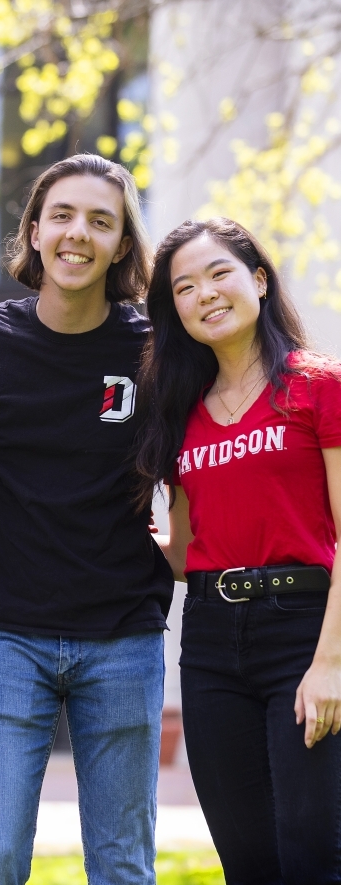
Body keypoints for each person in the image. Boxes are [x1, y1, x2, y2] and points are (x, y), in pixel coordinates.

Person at [0, 154, 174, 885]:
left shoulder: (153, 350)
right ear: (35, 231)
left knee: (123, 864)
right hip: (8, 635)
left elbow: (197, 461)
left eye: (101, 221)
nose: (79, 234)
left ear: (122, 246)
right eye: (64, 216)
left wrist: (188, 547)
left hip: (125, 637)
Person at [135, 217, 341, 883]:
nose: (205, 293)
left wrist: (331, 664)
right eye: (185, 287)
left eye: (218, 272)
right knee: (247, 859)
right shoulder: (180, 409)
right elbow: (188, 546)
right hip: (212, 641)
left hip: (305, 632)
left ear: (257, 279)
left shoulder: (318, 385)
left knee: (311, 851)